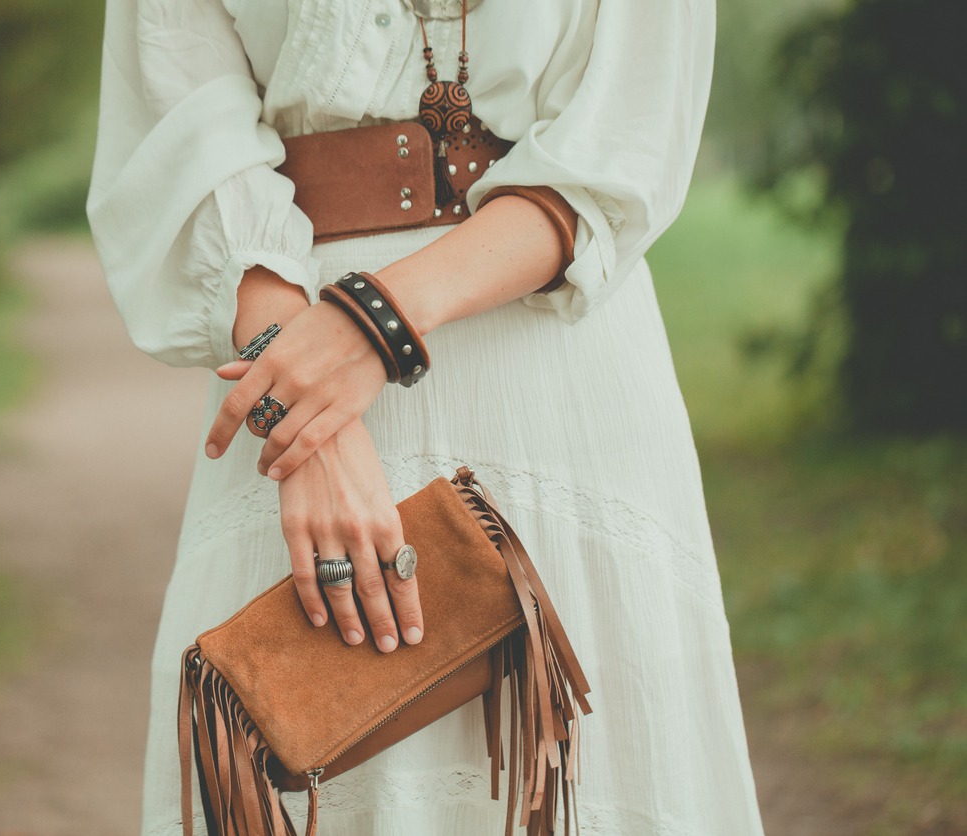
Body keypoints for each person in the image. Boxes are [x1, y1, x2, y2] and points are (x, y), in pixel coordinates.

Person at [88, 0, 765, 833]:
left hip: (552, 359)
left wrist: (367, 326)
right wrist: (310, 427)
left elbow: (623, 139)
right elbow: (183, 134)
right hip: (282, 347)